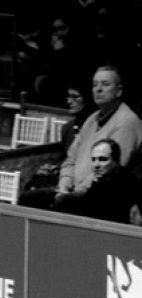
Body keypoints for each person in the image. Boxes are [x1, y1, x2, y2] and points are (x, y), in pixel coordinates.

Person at [20, 66, 142, 209]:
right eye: (95, 85)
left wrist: (73, 193)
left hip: (103, 194)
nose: (99, 89)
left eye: (105, 84)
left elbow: (109, 170)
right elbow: (71, 159)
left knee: (62, 203)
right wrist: (64, 184)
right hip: (74, 188)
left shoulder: (127, 121)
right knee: (28, 198)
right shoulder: (92, 119)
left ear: (119, 91)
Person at [56, 138, 142, 224]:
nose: (96, 165)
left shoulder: (125, 182)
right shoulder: (102, 178)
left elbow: (96, 211)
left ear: (115, 161)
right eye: (93, 160)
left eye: (103, 159)